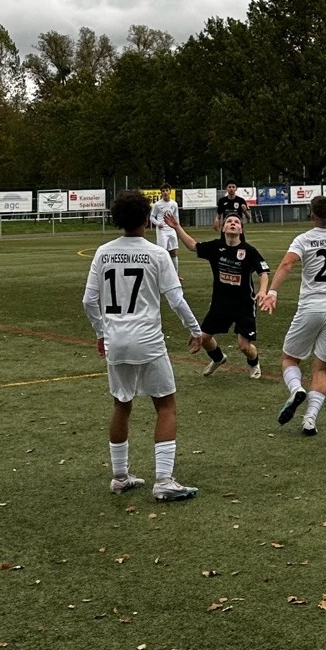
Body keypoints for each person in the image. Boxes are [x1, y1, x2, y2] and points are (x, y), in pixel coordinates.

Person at [82, 190, 203, 502]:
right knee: (165, 405)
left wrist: (101, 333)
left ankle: (120, 477)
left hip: (116, 342)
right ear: (146, 221)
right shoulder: (157, 254)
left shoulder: (102, 252)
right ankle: (163, 480)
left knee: (121, 404)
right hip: (148, 341)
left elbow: (88, 301)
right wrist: (196, 330)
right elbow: (175, 299)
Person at [258, 195, 326, 436]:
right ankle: (310, 419)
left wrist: (272, 292)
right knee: (321, 370)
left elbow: (287, 265)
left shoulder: (304, 239)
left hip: (310, 308)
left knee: (290, 359)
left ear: (311, 215)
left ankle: (295, 389)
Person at [167, 211, 269, 379]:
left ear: (241, 230)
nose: (233, 223)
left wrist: (263, 291)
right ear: (223, 228)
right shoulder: (216, 247)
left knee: (244, 346)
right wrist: (177, 227)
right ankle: (218, 358)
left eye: (237, 222)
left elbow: (263, 272)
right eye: (229, 221)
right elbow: (193, 245)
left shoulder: (248, 251)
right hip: (220, 303)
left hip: (244, 304)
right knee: (204, 338)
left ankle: (254, 363)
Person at [149, 184, 181, 274]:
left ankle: (175, 274)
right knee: (162, 253)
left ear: (170, 191)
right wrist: (158, 223)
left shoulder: (174, 204)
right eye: (163, 191)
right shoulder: (157, 205)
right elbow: (152, 217)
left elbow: (176, 217)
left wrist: (177, 229)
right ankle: (161, 274)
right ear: (161, 193)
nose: (165, 192)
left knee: (173, 252)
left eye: (167, 190)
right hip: (162, 231)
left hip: (172, 230)